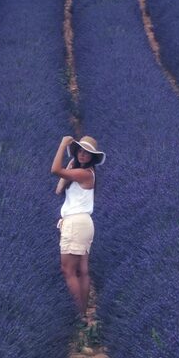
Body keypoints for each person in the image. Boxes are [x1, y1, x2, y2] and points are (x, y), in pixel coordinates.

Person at [51, 135, 105, 317]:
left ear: (92, 157)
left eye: (87, 153)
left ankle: (76, 314)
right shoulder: (80, 173)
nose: (82, 155)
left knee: (68, 270)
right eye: (80, 151)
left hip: (75, 224)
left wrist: (62, 145)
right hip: (83, 224)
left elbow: (54, 170)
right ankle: (82, 314)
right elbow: (58, 189)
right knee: (82, 270)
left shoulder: (84, 174)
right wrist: (70, 164)